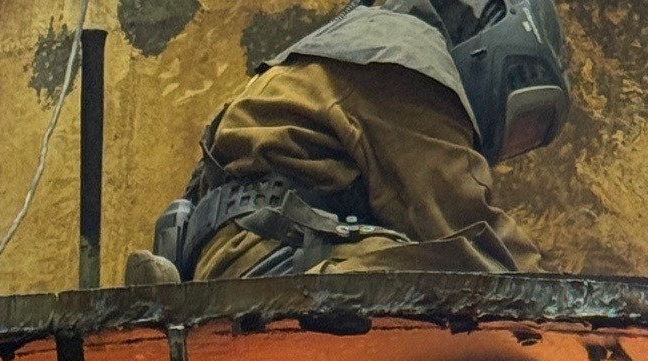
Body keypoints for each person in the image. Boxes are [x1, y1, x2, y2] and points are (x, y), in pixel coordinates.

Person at [126, 0, 567, 284]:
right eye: (521, 122)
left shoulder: (356, 47)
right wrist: (574, 304)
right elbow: (464, 223)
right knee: (477, 282)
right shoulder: (406, 63)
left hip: (237, 253)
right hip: (285, 260)